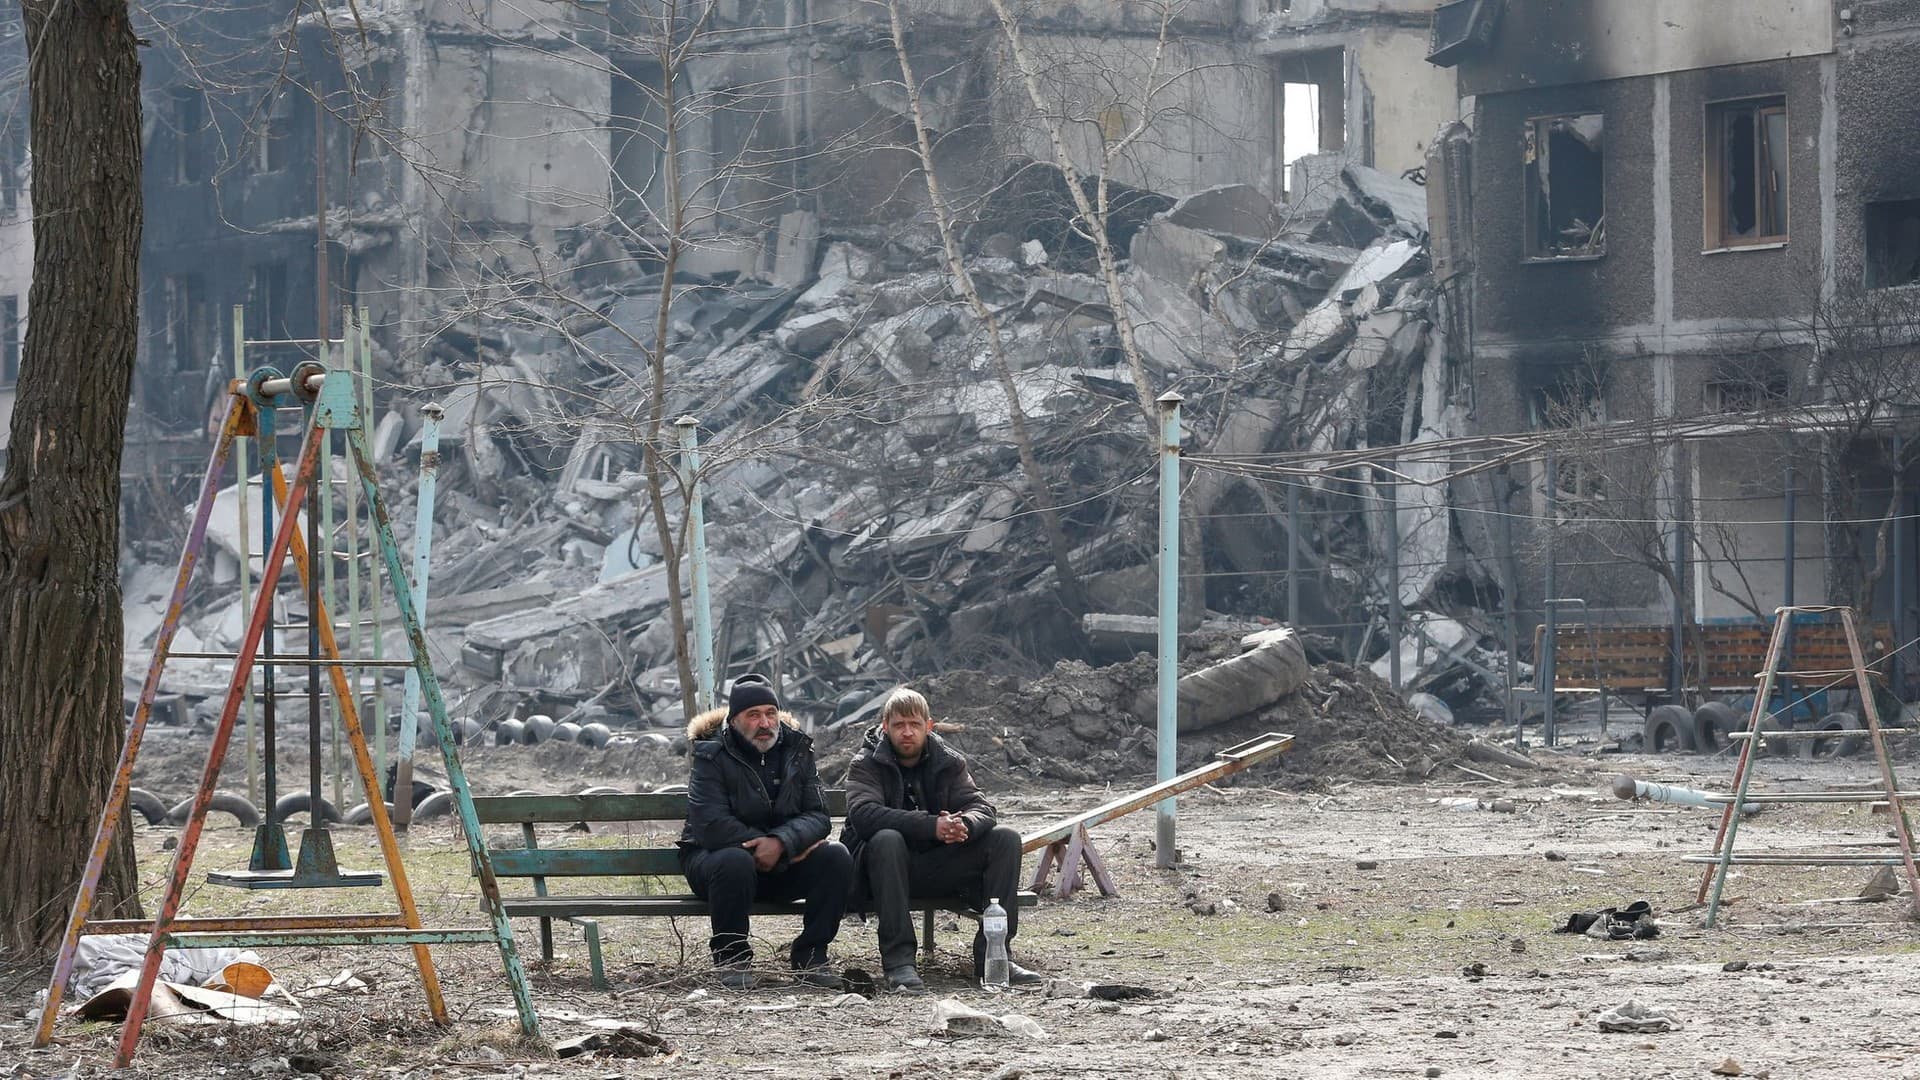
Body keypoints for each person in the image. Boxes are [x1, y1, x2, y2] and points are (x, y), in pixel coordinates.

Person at [842, 687, 1042, 993]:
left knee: (1005, 839)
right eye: (898, 725)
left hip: (938, 866)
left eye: (914, 725)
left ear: (928, 726)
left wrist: (963, 826)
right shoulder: (865, 763)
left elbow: (982, 808)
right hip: (883, 873)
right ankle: (899, 963)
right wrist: (931, 825)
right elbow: (864, 815)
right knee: (886, 839)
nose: (907, 733)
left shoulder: (948, 761)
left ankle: (993, 957)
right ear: (885, 727)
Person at [679, 673, 851, 989]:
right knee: (734, 861)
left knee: (836, 856)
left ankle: (811, 956)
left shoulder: (798, 749)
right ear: (734, 721)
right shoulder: (711, 754)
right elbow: (710, 824)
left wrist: (780, 843)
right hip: (717, 867)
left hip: (783, 862)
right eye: (753, 715)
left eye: (770, 713)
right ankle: (732, 958)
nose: (765, 723)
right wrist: (766, 847)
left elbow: (818, 815)